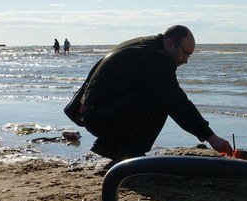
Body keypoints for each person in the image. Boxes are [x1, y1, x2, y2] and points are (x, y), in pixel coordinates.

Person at [72, 25, 233, 162]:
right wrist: (211, 137)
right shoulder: (156, 58)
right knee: (161, 101)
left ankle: (110, 146)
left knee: (157, 96)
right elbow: (176, 102)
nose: (186, 60)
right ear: (171, 44)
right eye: (186, 53)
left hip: (93, 112)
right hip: (99, 116)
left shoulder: (144, 45)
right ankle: (128, 153)